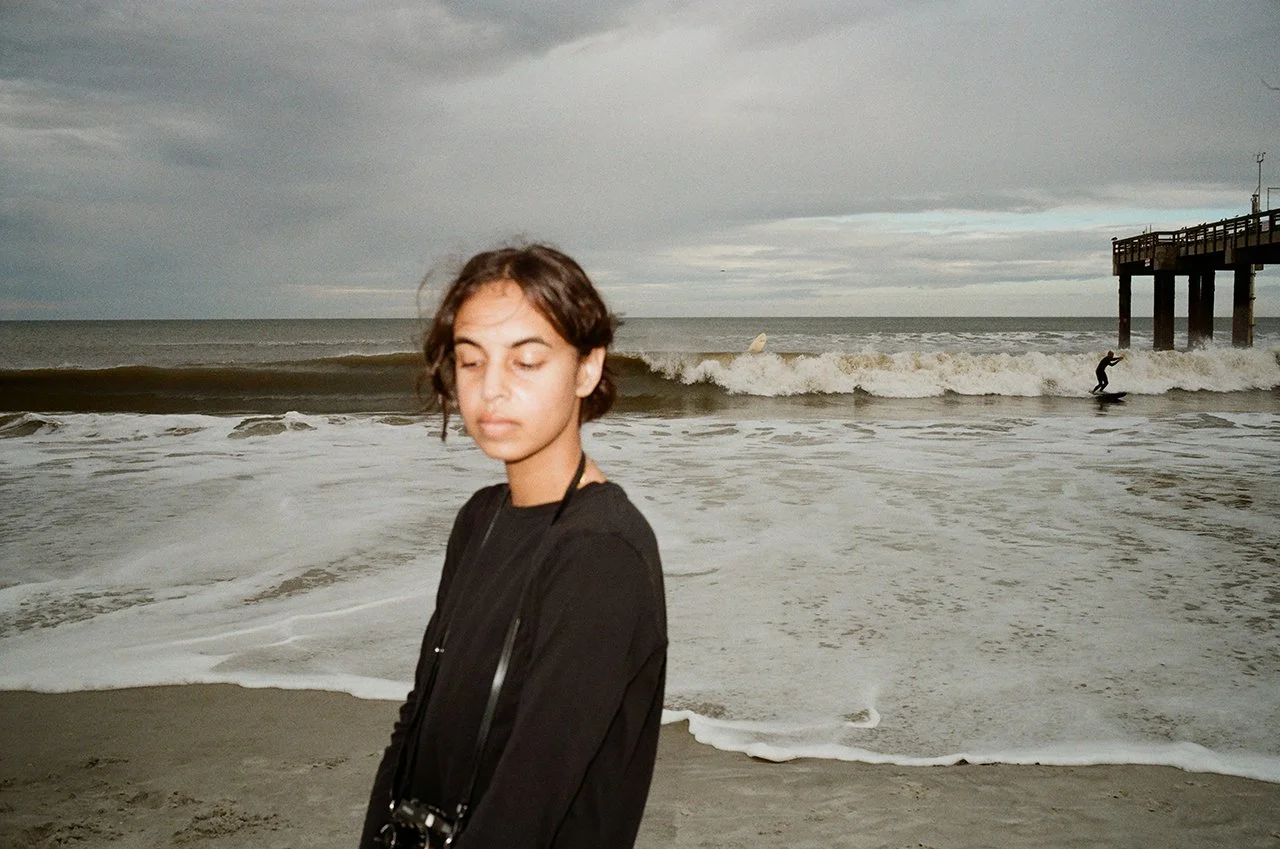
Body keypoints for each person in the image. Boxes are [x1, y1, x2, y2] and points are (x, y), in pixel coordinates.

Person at [359, 244, 667, 849]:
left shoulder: (602, 554)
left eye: (526, 361)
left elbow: (532, 796)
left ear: (587, 369)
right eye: (471, 363)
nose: (491, 390)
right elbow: (416, 722)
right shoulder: (481, 519)